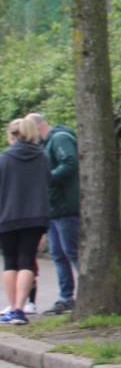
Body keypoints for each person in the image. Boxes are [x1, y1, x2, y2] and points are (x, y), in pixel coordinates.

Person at [0, 116, 52, 325]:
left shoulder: (4, 159)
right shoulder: (43, 158)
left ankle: (11, 308)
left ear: (12, 135)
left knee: (10, 262)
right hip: (35, 217)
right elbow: (48, 185)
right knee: (27, 261)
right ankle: (20, 309)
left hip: (7, 217)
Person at [29, 113, 80, 314]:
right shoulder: (44, 145)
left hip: (65, 206)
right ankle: (65, 297)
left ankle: (88, 291)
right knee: (58, 254)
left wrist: (47, 178)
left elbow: (70, 163)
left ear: (38, 126)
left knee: (71, 251)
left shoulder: (60, 139)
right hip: (53, 208)